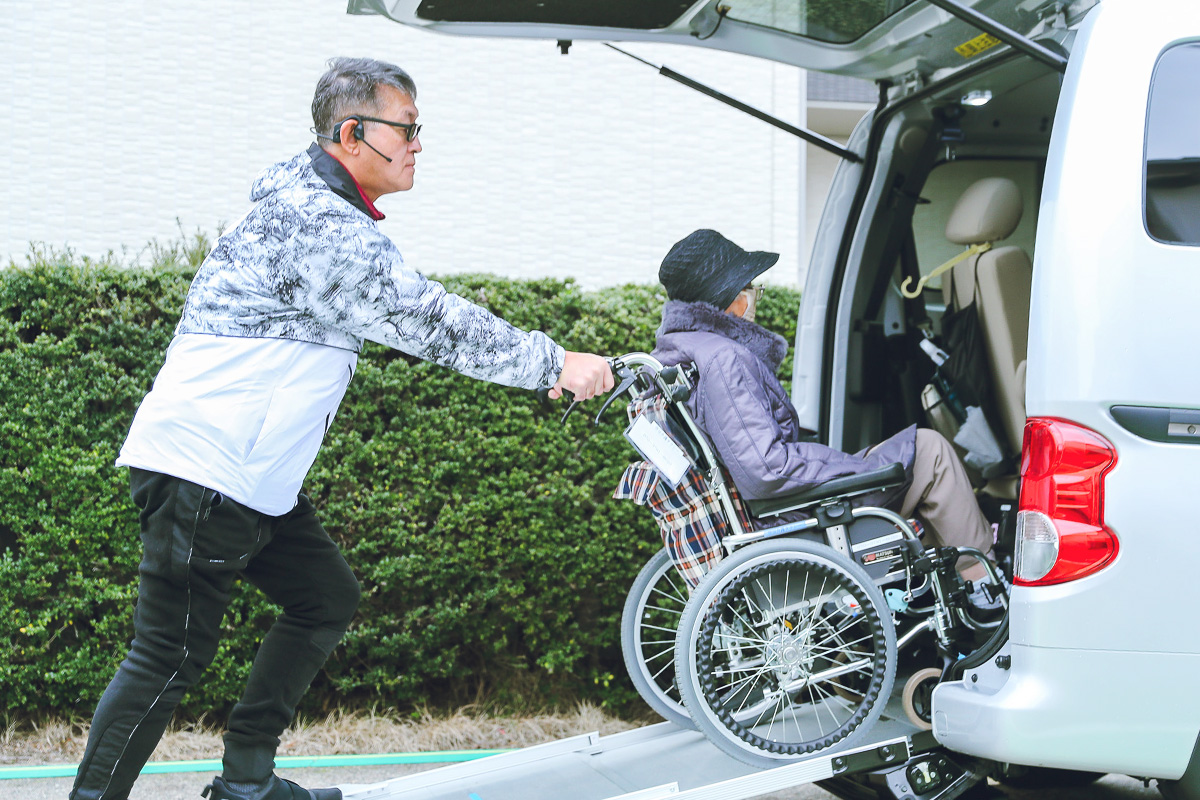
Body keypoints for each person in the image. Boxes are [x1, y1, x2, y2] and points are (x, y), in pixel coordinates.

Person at [69, 57, 612, 800]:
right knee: (168, 656)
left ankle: (246, 783)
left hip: (252, 476)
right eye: (409, 129)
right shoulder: (315, 222)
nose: (420, 144)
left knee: (325, 595)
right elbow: (425, 319)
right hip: (208, 468)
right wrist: (554, 360)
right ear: (353, 134)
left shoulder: (317, 209)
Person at [651, 229, 998, 587]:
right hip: (793, 519)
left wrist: (847, 462)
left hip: (782, 510)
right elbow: (765, 470)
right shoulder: (723, 359)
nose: (756, 298)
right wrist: (846, 466)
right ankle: (983, 584)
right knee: (930, 450)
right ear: (737, 301)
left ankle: (957, 588)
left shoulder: (685, 351)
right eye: (752, 289)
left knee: (900, 455)